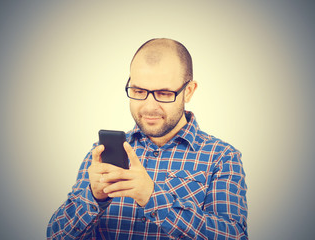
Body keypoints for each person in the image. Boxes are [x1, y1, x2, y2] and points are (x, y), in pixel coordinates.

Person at [47, 38, 248, 239]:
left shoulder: (222, 157)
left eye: (164, 93)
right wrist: (93, 198)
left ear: (188, 91)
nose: (149, 107)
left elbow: (234, 236)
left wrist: (152, 196)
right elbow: (55, 236)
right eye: (139, 91)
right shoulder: (101, 153)